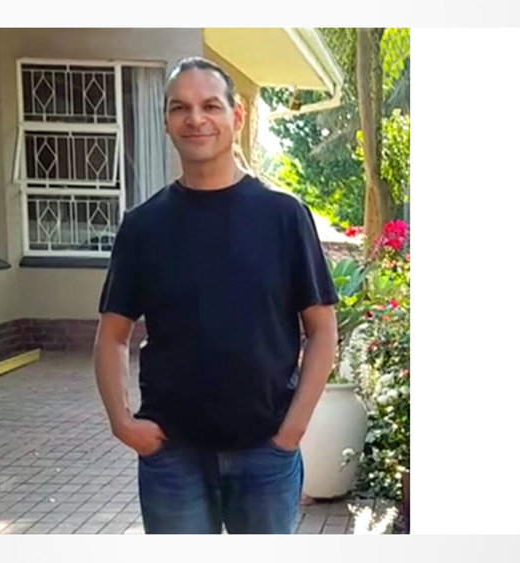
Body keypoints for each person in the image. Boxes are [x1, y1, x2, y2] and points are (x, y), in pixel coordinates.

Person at [93, 56, 338, 534]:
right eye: (180, 108)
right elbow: (112, 336)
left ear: (236, 116)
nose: (195, 119)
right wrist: (122, 424)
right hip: (173, 457)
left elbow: (323, 330)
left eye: (210, 105)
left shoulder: (284, 217)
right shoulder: (143, 227)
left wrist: (292, 431)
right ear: (167, 121)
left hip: (265, 454)